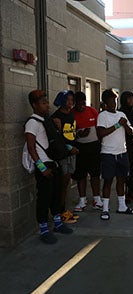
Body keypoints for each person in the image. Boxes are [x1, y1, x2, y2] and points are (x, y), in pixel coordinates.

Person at [25, 90, 73, 244]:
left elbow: (53, 140)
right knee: (44, 198)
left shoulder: (47, 120)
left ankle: (57, 222)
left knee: (56, 195)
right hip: (44, 165)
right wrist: (41, 167)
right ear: (34, 105)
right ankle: (44, 229)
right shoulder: (32, 122)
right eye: (43, 103)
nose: (46, 105)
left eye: (46, 102)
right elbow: (31, 147)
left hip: (53, 162)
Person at [97, 89, 133, 221]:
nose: (114, 102)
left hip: (122, 152)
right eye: (111, 100)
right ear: (105, 102)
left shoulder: (122, 114)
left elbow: (131, 132)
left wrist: (125, 126)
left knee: (122, 180)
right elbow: (100, 134)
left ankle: (122, 206)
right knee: (108, 180)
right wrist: (118, 124)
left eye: (115, 100)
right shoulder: (103, 115)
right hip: (108, 153)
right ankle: (105, 208)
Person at [71, 91, 103, 212]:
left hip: (94, 147)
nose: (82, 106)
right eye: (79, 104)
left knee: (95, 174)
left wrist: (100, 144)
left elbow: (99, 128)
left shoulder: (92, 111)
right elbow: (68, 133)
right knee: (81, 175)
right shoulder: (72, 114)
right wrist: (79, 134)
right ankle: (82, 200)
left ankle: (97, 199)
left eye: (83, 103)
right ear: (75, 103)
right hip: (80, 148)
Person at [52, 90, 79, 224]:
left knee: (66, 183)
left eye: (71, 99)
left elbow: (71, 133)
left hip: (72, 155)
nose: (70, 102)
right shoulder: (56, 117)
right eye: (67, 99)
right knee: (62, 184)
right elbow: (56, 139)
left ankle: (63, 211)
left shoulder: (71, 115)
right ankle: (59, 212)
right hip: (62, 155)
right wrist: (69, 148)